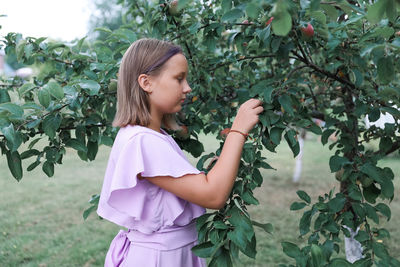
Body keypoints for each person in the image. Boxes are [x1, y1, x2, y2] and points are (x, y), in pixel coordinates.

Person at [97, 38, 264, 267]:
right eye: (179, 79)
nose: (187, 88)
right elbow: (213, 195)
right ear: (146, 82)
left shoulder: (152, 135)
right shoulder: (142, 141)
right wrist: (238, 130)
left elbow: (173, 193)